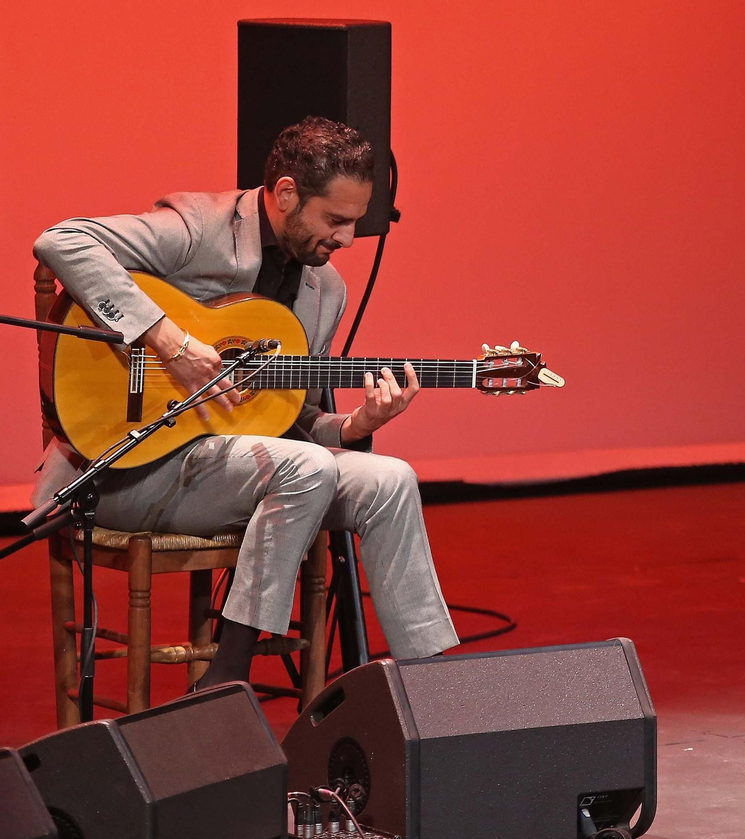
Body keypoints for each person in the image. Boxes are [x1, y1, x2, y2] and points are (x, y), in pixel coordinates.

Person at [33, 116, 460, 690]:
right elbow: (62, 240)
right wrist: (171, 342)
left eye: (356, 222)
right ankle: (226, 677)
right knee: (302, 469)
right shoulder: (198, 227)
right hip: (128, 466)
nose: (347, 240)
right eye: (335, 219)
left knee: (391, 479)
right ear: (286, 194)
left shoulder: (323, 289)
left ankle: (434, 688)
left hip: (241, 470)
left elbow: (294, 416)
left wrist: (357, 423)